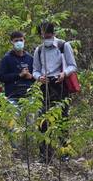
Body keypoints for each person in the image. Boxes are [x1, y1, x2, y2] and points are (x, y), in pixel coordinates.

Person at [32, 21, 78, 162]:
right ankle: (45, 155)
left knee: (62, 118)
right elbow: (35, 69)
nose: (46, 38)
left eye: (48, 35)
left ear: (53, 34)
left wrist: (64, 73)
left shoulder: (63, 46)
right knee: (43, 120)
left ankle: (65, 153)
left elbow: (72, 66)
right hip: (45, 85)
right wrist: (39, 77)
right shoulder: (39, 50)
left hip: (60, 84)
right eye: (43, 35)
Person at [0, 31, 35, 102]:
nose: (19, 42)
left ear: (24, 41)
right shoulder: (6, 58)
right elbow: (1, 77)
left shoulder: (30, 58)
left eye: (21, 40)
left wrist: (31, 76)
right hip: (12, 96)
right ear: (12, 42)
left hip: (29, 96)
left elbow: (36, 77)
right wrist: (19, 75)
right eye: (16, 41)